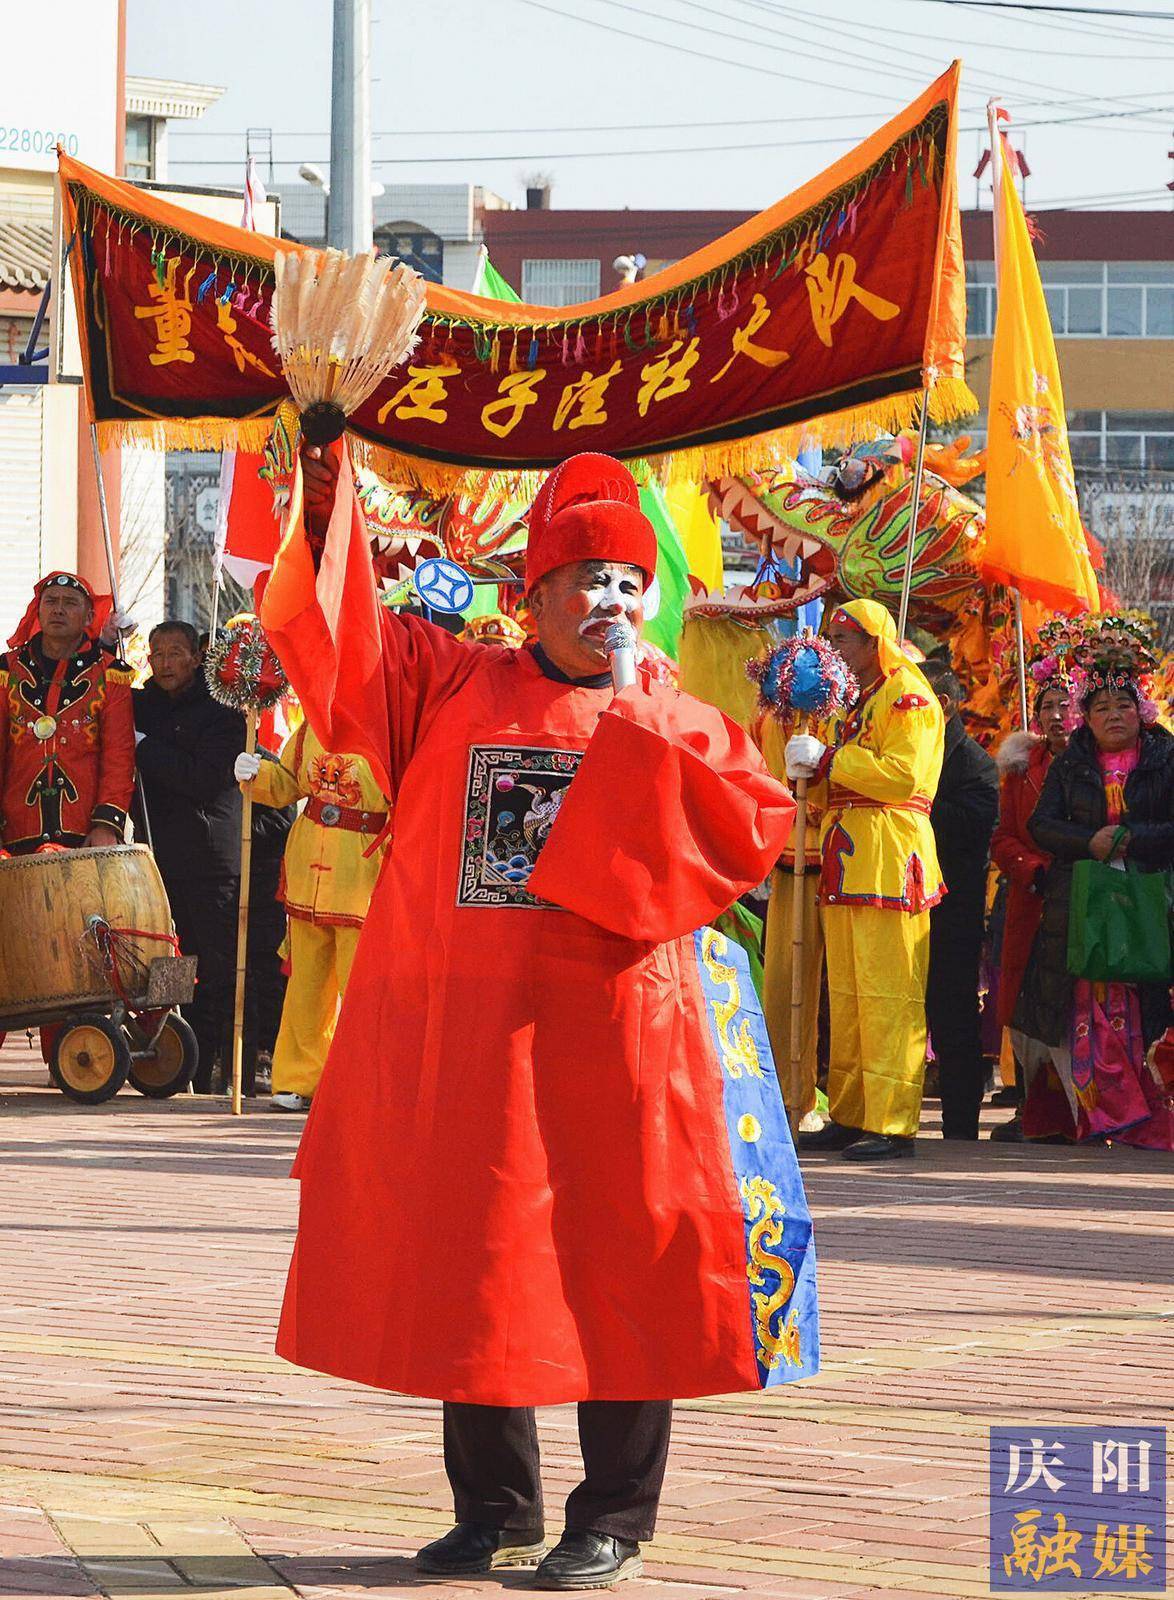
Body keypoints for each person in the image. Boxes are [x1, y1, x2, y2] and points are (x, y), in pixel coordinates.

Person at [262, 446, 816, 1589]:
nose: (610, 605)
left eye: (627, 584)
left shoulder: (675, 709)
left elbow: (743, 833)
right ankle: (496, 1505)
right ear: (533, 596)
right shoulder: (450, 684)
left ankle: (613, 1513)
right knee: (482, 1262)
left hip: (624, 1049)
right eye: (586, 582)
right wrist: (324, 499)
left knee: (630, 1268)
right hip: (475, 1048)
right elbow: (340, 637)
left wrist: (634, 711)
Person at [785, 601, 945, 1161]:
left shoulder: (909, 697)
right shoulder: (860, 701)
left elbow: (903, 776)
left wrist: (830, 759)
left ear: (873, 641)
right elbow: (844, 778)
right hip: (849, 856)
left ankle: (893, 1121)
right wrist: (811, 772)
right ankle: (854, 1113)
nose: (837, 652)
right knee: (849, 994)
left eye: (845, 642)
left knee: (890, 994)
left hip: (889, 855)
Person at [1014, 660, 1174, 1149]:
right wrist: (1090, 841)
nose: (1113, 715)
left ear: (1141, 710)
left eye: (1123, 705)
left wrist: (1129, 840)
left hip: (1150, 902)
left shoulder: (1165, 758)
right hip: (1081, 906)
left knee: (1146, 1003)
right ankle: (1102, 1117)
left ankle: (1152, 1120)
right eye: (1101, 707)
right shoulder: (1072, 762)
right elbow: (1041, 827)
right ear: (1088, 715)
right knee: (1088, 1004)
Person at [234, 723, 390, 1112]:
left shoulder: (389, 727)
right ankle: (298, 1079)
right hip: (308, 867)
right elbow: (288, 784)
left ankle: (362, 1079)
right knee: (306, 983)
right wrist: (258, 774)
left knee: (363, 987)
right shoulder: (311, 728)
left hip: (363, 871)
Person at [133, 622, 245, 1093]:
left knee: (212, 968)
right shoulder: (143, 705)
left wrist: (147, 749)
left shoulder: (223, 711)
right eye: (156, 653)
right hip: (158, 857)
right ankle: (170, 1062)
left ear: (197, 657)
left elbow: (203, 780)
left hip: (209, 861)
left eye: (175, 652)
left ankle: (209, 1066)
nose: (164, 662)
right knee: (167, 960)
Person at [919, 660, 998, 1140]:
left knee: (953, 1017)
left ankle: (960, 1125)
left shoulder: (975, 764)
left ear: (943, 705)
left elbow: (968, 831)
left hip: (953, 908)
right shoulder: (901, 747)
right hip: (904, 900)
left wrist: (912, 796)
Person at [988, 677, 1070, 1142]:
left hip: (1082, 898)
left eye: (1066, 704)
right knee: (1026, 1003)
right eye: (1048, 706)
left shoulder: (1099, 766)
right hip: (1032, 897)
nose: (1057, 715)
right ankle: (1032, 1106)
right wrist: (1032, 868)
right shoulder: (1021, 770)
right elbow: (1002, 837)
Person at [0, 572, 135, 854]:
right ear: (38, 611)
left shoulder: (111, 674)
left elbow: (119, 755)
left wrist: (107, 824)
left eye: (70, 602)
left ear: (89, 618)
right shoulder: (7, 670)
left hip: (86, 830)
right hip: (15, 828)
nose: (58, 609)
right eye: (50, 601)